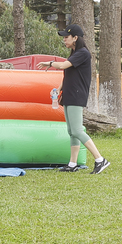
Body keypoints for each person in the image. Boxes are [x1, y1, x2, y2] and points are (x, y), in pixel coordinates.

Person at [38, 23, 110, 174]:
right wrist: (59, 89)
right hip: (69, 94)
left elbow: (63, 66)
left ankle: (100, 159)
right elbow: (69, 74)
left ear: (75, 38)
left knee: (77, 130)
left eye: (66, 37)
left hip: (77, 95)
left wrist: (49, 63)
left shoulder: (83, 53)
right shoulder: (74, 53)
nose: (64, 40)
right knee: (72, 131)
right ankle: (72, 164)